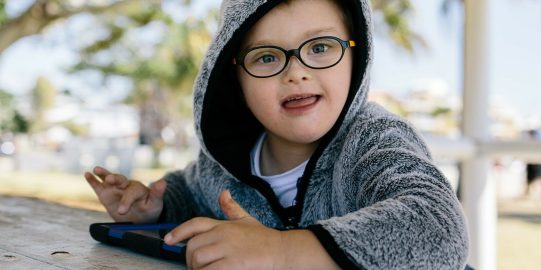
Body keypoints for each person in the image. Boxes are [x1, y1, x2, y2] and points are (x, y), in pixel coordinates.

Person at [85, 0, 469, 269]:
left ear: (358, 58)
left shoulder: (375, 141)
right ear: (232, 78)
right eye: (267, 57)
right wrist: (155, 208)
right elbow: (192, 190)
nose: (296, 72)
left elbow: (439, 228)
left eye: (320, 47)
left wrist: (281, 253)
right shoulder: (225, 163)